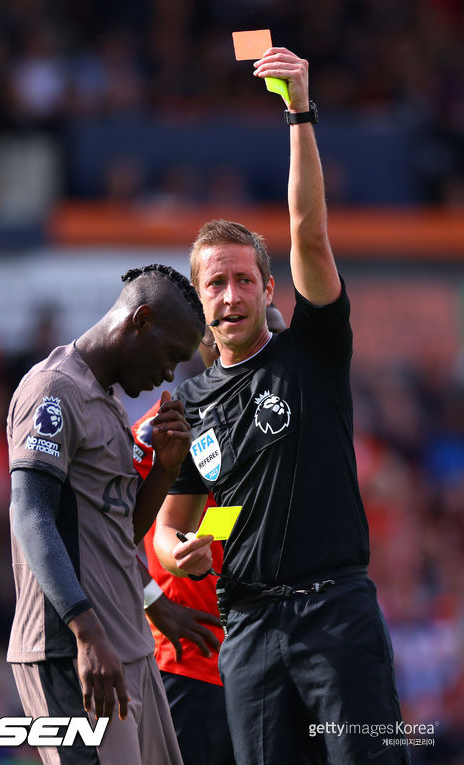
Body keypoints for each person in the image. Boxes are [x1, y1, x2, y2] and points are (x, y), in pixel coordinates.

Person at [153, 48, 411, 765]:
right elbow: (175, 523)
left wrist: (299, 110)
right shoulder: (192, 401)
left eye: (243, 280)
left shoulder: (313, 351)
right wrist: (184, 551)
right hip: (249, 628)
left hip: (336, 613)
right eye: (215, 285)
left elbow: (310, 233)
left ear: (270, 289)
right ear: (199, 301)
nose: (230, 295)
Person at [6, 264, 205, 765]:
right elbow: (31, 515)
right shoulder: (52, 390)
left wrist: (165, 470)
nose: (168, 373)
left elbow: (115, 533)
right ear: (141, 320)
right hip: (73, 650)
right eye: (170, 356)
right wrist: (86, 633)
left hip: (128, 646)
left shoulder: (109, 404)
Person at [133, 304, 286, 765]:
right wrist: (150, 600)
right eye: (260, 334)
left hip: (267, 663)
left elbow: (227, 521)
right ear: (209, 345)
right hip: (190, 662)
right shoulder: (160, 428)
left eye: (278, 337)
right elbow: (95, 531)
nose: (272, 350)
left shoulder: (281, 428)